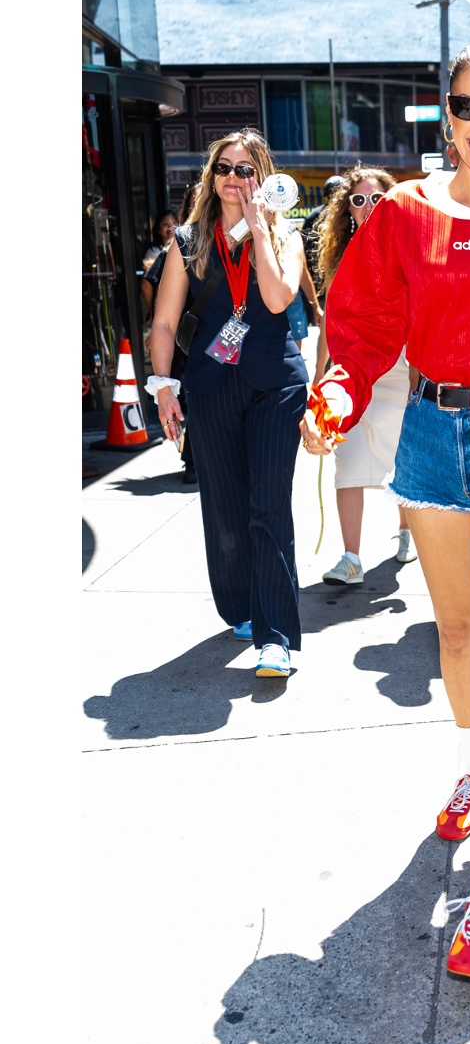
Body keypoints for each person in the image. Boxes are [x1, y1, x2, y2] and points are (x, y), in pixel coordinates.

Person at [301, 38, 470, 982]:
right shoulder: (404, 216)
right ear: (446, 110)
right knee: (456, 641)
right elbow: (366, 323)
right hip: (427, 435)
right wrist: (338, 390)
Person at [147, 129, 309, 678]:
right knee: (224, 508)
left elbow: (276, 298)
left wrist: (261, 230)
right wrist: (164, 386)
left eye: (246, 169)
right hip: (210, 384)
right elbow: (165, 321)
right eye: (225, 168)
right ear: (210, 177)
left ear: (263, 176)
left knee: (268, 506)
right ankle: (241, 605)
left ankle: (277, 635)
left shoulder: (285, 234)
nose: (234, 179)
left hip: (274, 383)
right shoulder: (190, 240)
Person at [311, 166, 417, 580]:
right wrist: (322, 374)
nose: (369, 205)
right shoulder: (339, 256)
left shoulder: (411, 248)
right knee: (348, 460)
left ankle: (407, 533)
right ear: (347, 209)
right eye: (358, 199)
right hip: (353, 373)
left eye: (377, 198)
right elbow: (330, 322)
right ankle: (351, 558)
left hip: (402, 369)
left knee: (404, 462)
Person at [146, 183, 201, 483]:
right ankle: (191, 459)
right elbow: (152, 288)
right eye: (197, 198)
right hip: (182, 336)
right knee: (190, 397)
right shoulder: (178, 245)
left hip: (211, 336)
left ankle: (194, 456)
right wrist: (156, 327)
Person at [301, 175, 345, 322]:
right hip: (322, 282)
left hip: (339, 282)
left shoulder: (351, 215)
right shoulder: (314, 217)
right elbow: (304, 253)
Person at [140, 211, 178, 315]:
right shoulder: (154, 253)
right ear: (158, 229)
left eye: (174, 223)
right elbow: (145, 287)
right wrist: (154, 310)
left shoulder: (184, 249)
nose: (171, 227)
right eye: (165, 224)